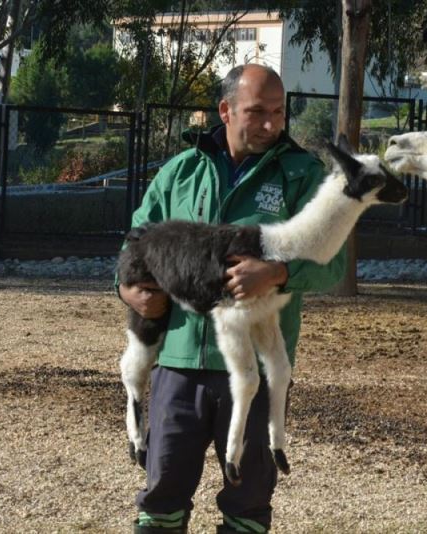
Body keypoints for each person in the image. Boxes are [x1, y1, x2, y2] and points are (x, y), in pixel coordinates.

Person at [117, 63, 346, 534]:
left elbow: (335, 263)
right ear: (225, 110)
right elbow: (132, 246)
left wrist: (279, 272)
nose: (270, 124)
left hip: (253, 372)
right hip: (177, 363)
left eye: (279, 112)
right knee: (160, 498)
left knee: (247, 505)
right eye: (256, 111)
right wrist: (129, 291)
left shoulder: (301, 176)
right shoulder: (179, 172)